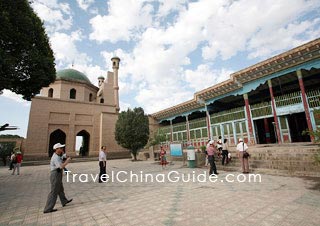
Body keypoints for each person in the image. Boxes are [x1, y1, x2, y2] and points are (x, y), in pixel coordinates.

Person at [43, 143, 72, 213]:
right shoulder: (55, 157)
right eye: (61, 148)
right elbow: (61, 166)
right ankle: (48, 208)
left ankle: (64, 201)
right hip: (55, 174)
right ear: (57, 149)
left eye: (62, 148)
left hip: (58, 174)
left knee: (60, 189)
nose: (62, 149)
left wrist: (65, 157)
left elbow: (62, 158)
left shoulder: (58, 156)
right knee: (54, 191)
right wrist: (67, 161)